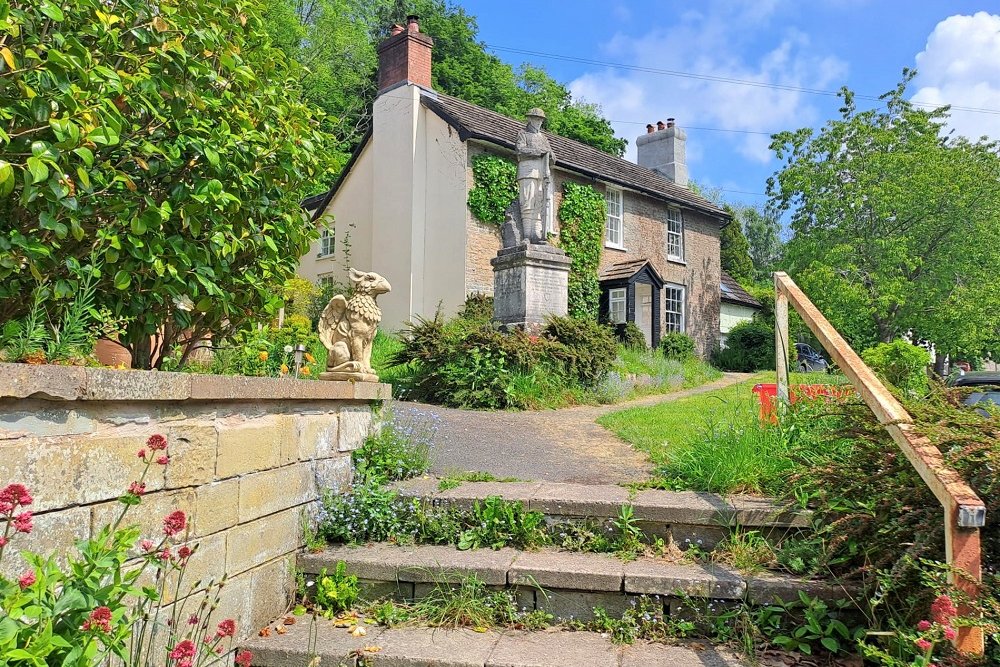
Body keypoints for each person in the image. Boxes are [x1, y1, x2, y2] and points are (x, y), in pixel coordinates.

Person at [515, 108, 554, 244]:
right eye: (536, 119)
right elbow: (520, 150)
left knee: (539, 205)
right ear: (530, 119)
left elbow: (553, 157)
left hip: (542, 173)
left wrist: (550, 155)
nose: (539, 122)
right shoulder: (523, 134)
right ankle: (527, 235)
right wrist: (539, 152)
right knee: (527, 202)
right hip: (528, 171)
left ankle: (537, 235)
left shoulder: (544, 138)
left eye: (541, 120)